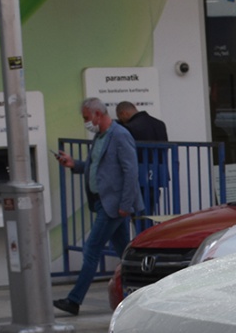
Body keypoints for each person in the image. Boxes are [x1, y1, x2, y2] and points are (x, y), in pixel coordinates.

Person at [53, 98, 144, 316]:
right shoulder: (100, 136)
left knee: (92, 248)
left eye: (86, 118)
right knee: (126, 253)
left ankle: (74, 300)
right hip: (104, 202)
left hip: (113, 205)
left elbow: (131, 171)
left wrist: (125, 205)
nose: (86, 122)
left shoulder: (120, 135)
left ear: (97, 114)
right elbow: (96, 167)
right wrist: (74, 164)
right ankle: (142, 294)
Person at [117, 101, 170, 209]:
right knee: (149, 212)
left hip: (138, 176)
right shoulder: (159, 124)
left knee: (138, 214)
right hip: (157, 174)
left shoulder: (128, 128)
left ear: (124, 113)